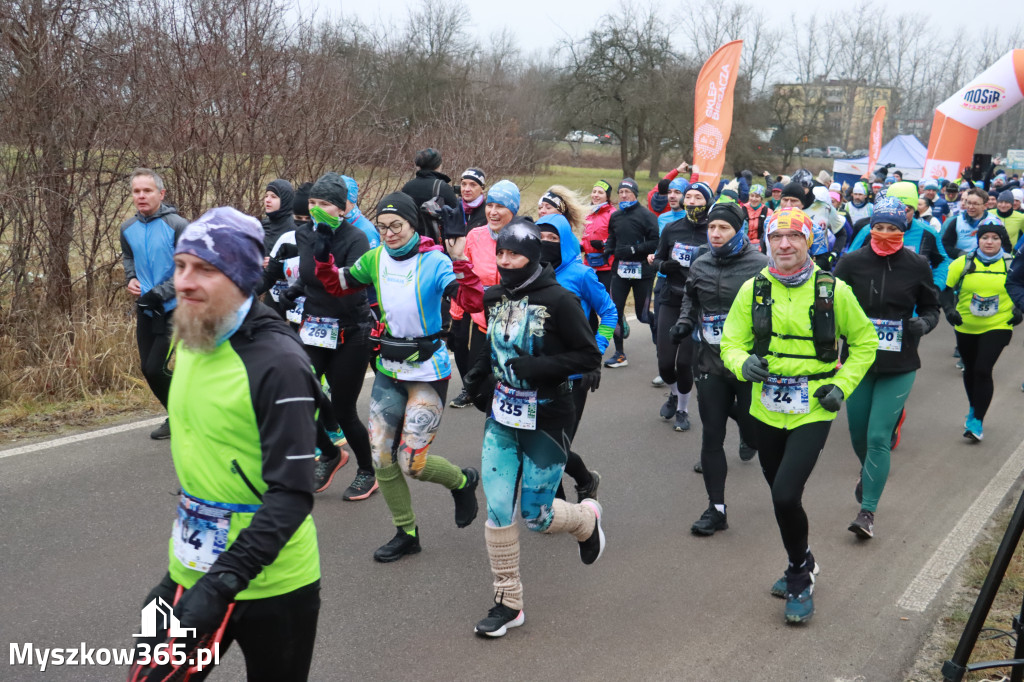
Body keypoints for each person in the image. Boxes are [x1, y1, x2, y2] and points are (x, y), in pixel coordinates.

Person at [130, 207, 321, 682]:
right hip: (193, 571)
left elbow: (293, 493)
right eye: (180, 266)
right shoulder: (193, 334)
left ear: (242, 279)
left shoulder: (277, 363)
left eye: (206, 269)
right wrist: (177, 578)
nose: (184, 282)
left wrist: (222, 584)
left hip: (275, 585)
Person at [720, 207, 877, 624]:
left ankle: (799, 575)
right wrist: (741, 365)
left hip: (813, 406)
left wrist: (840, 387)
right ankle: (804, 555)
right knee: (781, 494)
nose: (785, 245)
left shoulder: (834, 291)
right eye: (777, 237)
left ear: (809, 242)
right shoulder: (753, 289)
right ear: (766, 242)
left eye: (794, 237)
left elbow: (865, 343)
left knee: (785, 494)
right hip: (765, 406)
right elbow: (731, 342)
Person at [312, 192, 486, 561]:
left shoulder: (434, 261)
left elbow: (472, 302)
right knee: (381, 458)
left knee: (413, 462)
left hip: (427, 370)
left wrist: (460, 263)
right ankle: (406, 532)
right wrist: (323, 253)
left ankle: (462, 481)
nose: (389, 233)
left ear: (412, 225)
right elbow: (337, 283)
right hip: (390, 369)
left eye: (397, 226)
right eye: (383, 226)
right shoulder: (375, 258)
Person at [461, 219, 605, 638]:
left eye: (514, 254)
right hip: (503, 415)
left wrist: (540, 367)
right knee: (498, 508)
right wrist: (478, 376)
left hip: (548, 414)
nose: (505, 262)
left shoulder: (560, 301)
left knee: (537, 516)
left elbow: (588, 356)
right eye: (500, 253)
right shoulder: (493, 297)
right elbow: (495, 346)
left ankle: (584, 521)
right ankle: (508, 602)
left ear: (534, 258)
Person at [834, 197, 941, 539]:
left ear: (903, 229)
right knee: (858, 435)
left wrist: (923, 324)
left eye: (891, 227)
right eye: (878, 226)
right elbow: (829, 304)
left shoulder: (916, 265)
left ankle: (867, 512)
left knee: (879, 435)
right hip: (858, 363)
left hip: (899, 363)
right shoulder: (851, 263)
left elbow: (930, 308)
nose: (883, 233)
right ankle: (867, 473)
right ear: (869, 227)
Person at [279, 172, 378, 501]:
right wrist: (291, 292)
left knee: (343, 408)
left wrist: (326, 256)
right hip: (314, 326)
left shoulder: (356, 239)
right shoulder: (304, 233)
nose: (317, 209)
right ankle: (331, 453)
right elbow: (309, 278)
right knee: (298, 394)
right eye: (313, 203)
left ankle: (367, 470)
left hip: (351, 331)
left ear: (341, 208)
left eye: (325, 204)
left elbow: (349, 292)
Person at [672, 201, 767, 535]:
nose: (715, 233)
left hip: (748, 365)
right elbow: (690, 297)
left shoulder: (761, 266)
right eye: (712, 227)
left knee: (755, 431)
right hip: (711, 361)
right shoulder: (700, 263)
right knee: (711, 435)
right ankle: (716, 509)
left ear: (738, 230)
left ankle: (752, 438)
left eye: (723, 228)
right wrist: (685, 322)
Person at [537, 213, 616, 501]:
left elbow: (608, 313)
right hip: (538, 370)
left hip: (573, 373)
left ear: (566, 242)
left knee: (557, 443)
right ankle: (555, 502)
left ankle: (585, 479)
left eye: (553, 239)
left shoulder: (581, 275)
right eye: (541, 238)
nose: (545, 244)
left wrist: (595, 352)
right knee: (539, 439)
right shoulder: (530, 272)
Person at [120, 168, 189, 440]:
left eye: (147, 190)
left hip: (176, 309)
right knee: (147, 369)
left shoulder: (178, 226)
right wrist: (131, 278)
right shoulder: (127, 228)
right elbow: (128, 257)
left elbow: (189, 270)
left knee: (154, 367)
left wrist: (159, 292)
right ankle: (181, 415)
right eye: (136, 191)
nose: (141, 196)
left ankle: (186, 414)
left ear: (161, 194)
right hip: (147, 310)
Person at [940, 218, 1022, 442]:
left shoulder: (1011, 263)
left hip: (999, 325)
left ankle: (976, 421)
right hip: (966, 325)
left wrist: (1018, 310)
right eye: (985, 237)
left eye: (995, 238)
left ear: (1001, 241)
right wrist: (949, 310)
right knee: (970, 368)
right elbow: (946, 290)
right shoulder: (962, 263)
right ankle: (975, 407)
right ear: (978, 240)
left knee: (983, 370)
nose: (989, 242)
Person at [449, 180, 520, 408]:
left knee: (509, 386)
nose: (493, 212)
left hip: (514, 327)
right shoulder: (475, 236)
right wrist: (457, 318)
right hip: (482, 323)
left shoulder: (524, 236)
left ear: (513, 210)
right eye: (490, 205)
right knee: (479, 390)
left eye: (500, 206)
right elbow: (464, 280)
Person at [650, 182, 714, 431]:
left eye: (698, 197)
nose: (692, 201)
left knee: (684, 363)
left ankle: (683, 410)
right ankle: (674, 393)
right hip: (671, 298)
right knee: (665, 363)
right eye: (689, 197)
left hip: (697, 303)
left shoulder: (713, 231)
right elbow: (657, 258)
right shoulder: (671, 228)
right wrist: (662, 267)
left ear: (707, 202)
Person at [603, 178, 659, 368]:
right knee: (614, 311)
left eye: (627, 192)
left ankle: (656, 328)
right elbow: (612, 236)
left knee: (642, 315)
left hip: (643, 271)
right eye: (621, 192)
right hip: (620, 271)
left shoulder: (646, 215)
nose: (624, 195)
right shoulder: (616, 216)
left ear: (635, 194)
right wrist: (608, 250)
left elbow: (656, 242)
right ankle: (620, 354)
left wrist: (634, 250)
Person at [942, 187, 1011, 258]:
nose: (970, 207)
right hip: (963, 263)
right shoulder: (957, 221)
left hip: (989, 263)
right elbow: (945, 245)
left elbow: (1007, 246)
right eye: (968, 203)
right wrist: (961, 254)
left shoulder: (995, 221)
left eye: (975, 204)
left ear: (985, 206)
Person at [581, 180, 617, 292]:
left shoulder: (613, 214)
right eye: (594, 191)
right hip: (588, 265)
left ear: (607, 197)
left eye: (600, 193)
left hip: (607, 266)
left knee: (604, 301)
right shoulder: (587, 213)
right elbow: (585, 235)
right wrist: (581, 246)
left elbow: (617, 238)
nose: (596, 195)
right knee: (588, 300)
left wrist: (603, 244)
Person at [743, 184, 772, 249]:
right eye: (752, 196)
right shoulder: (742, 209)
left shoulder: (768, 211)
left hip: (761, 244)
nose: (754, 199)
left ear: (761, 198)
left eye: (757, 196)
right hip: (744, 243)